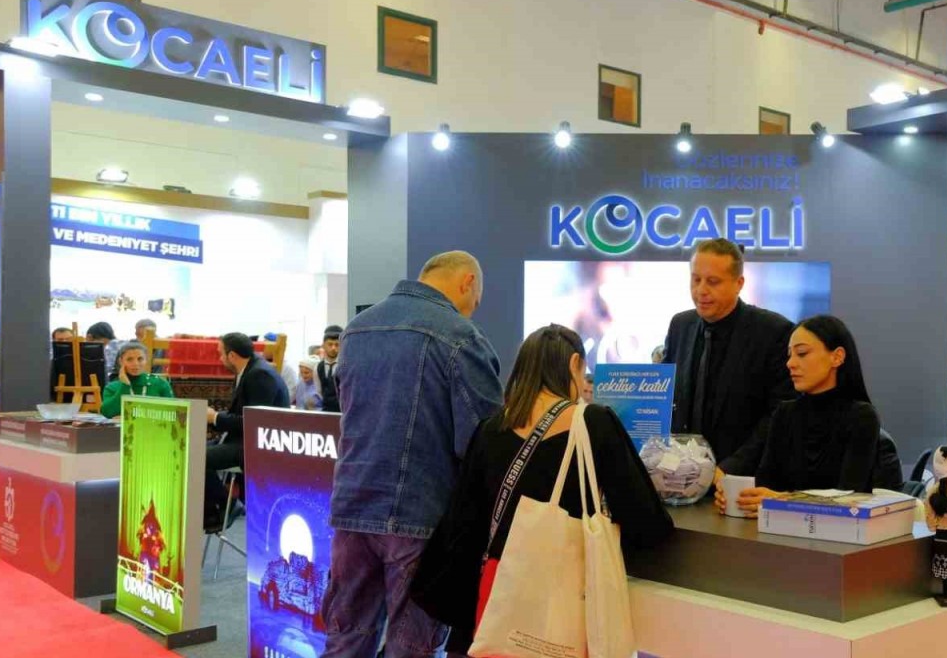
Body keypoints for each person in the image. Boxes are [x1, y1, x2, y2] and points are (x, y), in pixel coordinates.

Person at [413, 324, 673, 655]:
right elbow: (647, 523)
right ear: (575, 363)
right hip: (562, 597)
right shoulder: (594, 424)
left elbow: (463, 525)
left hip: (497, 596)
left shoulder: (491, 430)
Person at [323, 251, 503, 658]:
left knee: (345, 636)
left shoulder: (356, 330)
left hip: (351, 505)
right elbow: (483, 440)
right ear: (467, 282)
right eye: (476, 299)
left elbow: (348, 411)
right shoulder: (460, 336)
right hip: (419, 516)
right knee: (411, 647)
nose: (473, 308)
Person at [715, 316, 890, 517]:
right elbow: (767, 485)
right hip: (778, 530)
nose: (790, 363)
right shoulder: (784, 413)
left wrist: (783, 501)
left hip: (839, 531)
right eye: (789, 355)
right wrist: (743, 498)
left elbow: (848, 497)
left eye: (802, 353)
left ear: (837, 357)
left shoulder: (862, 416)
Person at [661, 238, 795, 475]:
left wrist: (730, 468)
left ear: (738, 283)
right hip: (680, 476)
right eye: (696, 279)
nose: (701, 290)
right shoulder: (680, 325)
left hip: (744, 478)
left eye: (713, 281)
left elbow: (779, 415)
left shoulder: (773, 332)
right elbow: (666, 399)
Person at [203, 332, 290, 529]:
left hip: (257, 445)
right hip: (244, 439)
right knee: (190, 451)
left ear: (232, 355)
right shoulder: (251, 370)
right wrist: (216, 418)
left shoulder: (259, 375)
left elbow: (254, 422)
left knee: (197, 458)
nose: (220, 358)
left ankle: (226, 505)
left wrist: (215, 418)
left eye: (221, 354)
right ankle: (212, 512)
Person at [99, 342, 174, 418]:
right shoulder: (112, 387)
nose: (135, 363)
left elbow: (172, 413)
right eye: (129, 359)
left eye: (140, 359)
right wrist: (125, 385)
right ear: (121, 361)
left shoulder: (160, 384)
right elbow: (107, 413)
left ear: (146, 360)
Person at [317, 325, 342, 413]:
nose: (333, 348)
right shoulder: (318, 367)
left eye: (337, 345)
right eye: (330, 344)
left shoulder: (345, 366)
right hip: (325, 410)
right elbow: (319, 391)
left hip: (342, 411)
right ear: (323, 345)